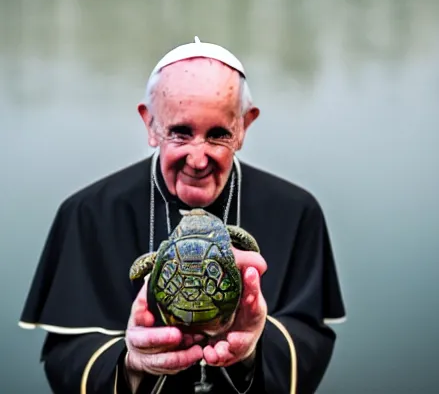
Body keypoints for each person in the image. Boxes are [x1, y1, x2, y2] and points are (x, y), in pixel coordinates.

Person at [19, 37, 346, 394]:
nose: (197, 158)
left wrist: (252, 349)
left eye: (218, 134)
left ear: (244, 126)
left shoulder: (297, 212)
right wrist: (131, 364)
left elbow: (309, 344)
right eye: (180, 132)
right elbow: (66, 359)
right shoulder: (87, 213)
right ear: (150, 123)